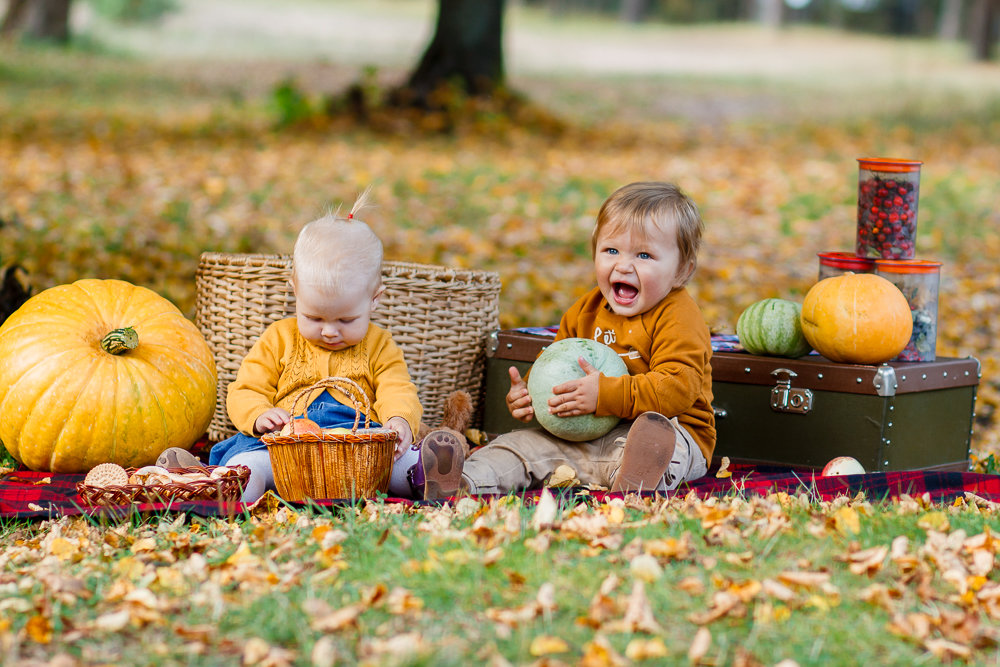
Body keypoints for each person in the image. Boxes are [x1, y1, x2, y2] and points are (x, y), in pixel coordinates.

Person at [419, 181, 715, 497]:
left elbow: (678, 387)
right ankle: (461, 482)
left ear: (682, 271)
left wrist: (605, 394)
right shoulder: (584, 311)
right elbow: (556, 366)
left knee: (657, 444)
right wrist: (529, 395)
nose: (624, 265)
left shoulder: (679, 315)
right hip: (579, 437)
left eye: (644, 255)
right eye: (611, 250)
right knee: (515, 447)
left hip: (666, 432)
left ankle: (636, 477)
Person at [188, 192, 444, 502]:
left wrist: (399, 420)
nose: (329, 331)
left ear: (374, 300)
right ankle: (240, 495)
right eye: (313, 316)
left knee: (397, 460)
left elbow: (397, 388)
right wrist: (259, 415)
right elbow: (244, 389)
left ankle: (427, 475)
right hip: (285, 447)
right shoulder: (278, 338)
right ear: (295, 290)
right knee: (249, 464)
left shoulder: (379, 344)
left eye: (347, 320)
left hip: (357, 449)